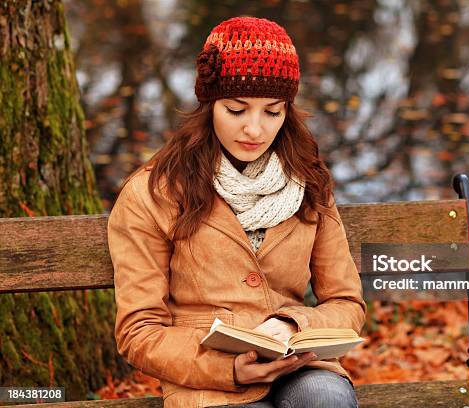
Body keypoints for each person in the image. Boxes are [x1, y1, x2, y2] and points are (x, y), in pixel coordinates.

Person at [107, 16, 366, 408]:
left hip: (298, 365)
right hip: (207, 380)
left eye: (272, 112)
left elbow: (347, 303)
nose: (255, 130)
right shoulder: (154, 191)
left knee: (325, 398)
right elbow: (139, 331)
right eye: (236, 109)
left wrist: (293, 324)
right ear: (209, 105)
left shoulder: (308, 180)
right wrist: (228, 369)